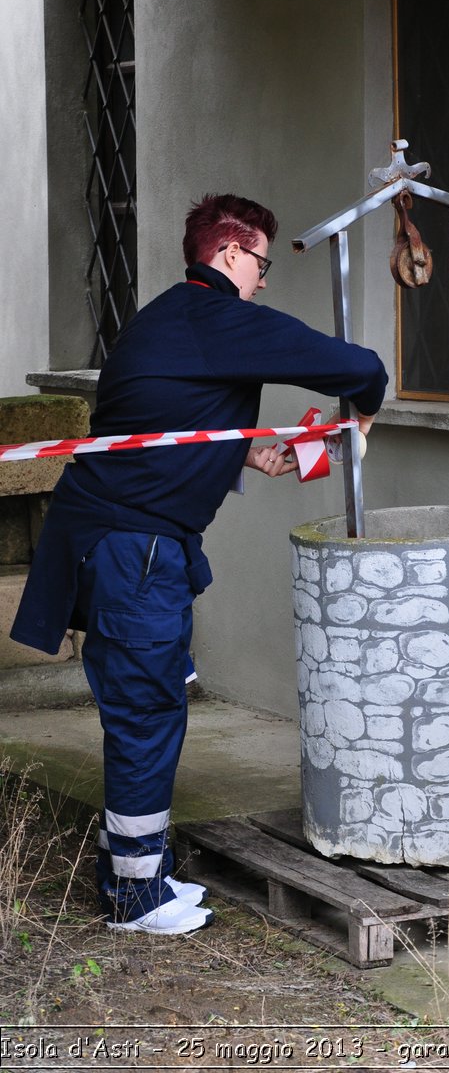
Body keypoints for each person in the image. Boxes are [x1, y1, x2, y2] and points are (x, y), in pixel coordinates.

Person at [11, 193, 387, 936]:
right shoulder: (220, 316)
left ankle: (135, 868)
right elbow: (357, 366)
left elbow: (150, 419)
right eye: (261, 263)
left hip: (110, 540)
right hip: (135, 552)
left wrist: (241, 449)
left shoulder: (158, 319)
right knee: (147, 714)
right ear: (228, 256)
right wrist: (363, 413)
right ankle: (134, 897)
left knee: (144, 708)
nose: (264, 281)